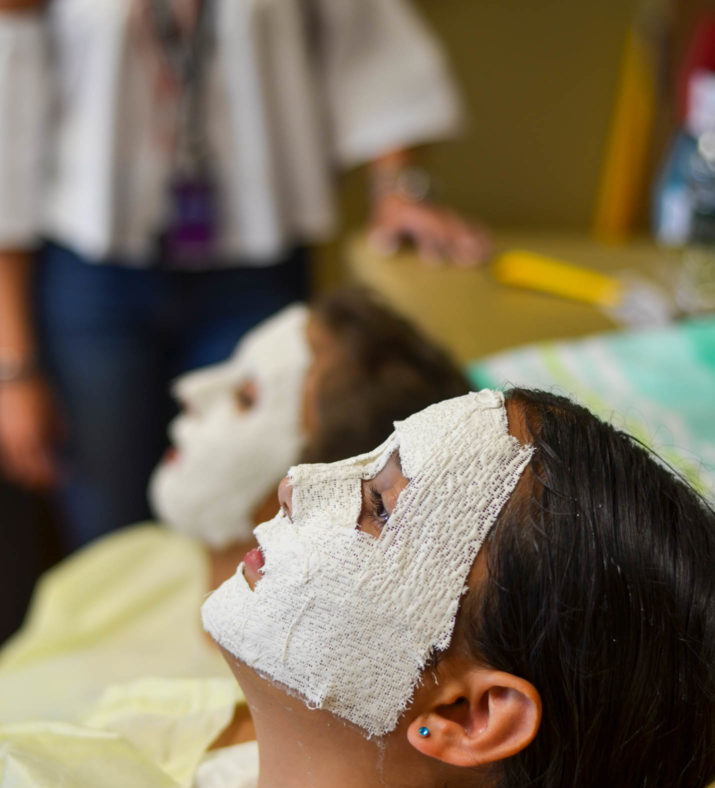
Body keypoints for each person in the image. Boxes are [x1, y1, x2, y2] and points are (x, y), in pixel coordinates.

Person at [155, 389, 714, 788]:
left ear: (465, 718)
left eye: (378, 507)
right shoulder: (242, 741)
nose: (294, 484)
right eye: (365, 464)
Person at [0, 0, 485, 551]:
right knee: (107, 519)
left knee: (255, 510)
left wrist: (399, 189)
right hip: (93, 276)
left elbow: (375, 52)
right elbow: (6, 126)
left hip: (252, 265)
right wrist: (13, 367)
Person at [0, 287, 469, 729]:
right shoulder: (134, 559)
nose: (190, 390)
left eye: (247, 398)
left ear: (317, 481)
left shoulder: (239, 726)